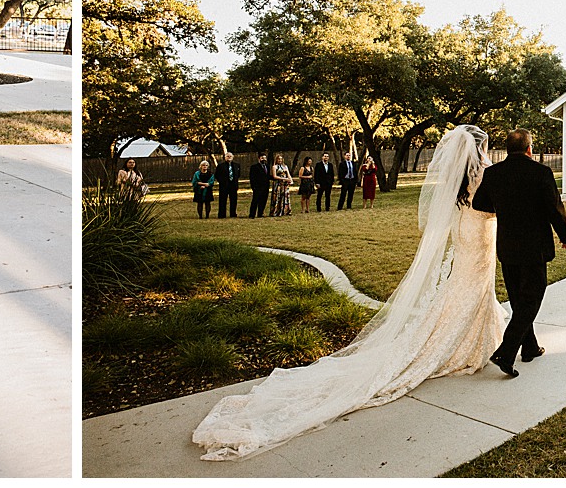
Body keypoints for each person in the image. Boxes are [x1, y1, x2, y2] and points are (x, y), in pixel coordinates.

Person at [194, 126, 505, 460]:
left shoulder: (458, 175)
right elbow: (488, 206)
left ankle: (475, 334)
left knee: (464, 285)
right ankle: (464, 343)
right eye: (484, 145)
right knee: (471, 284)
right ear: (479, 148)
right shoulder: (484, 172)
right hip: (480, 234)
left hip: (465, 232)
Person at [471, 128, 566, 377]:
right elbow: (554, 209)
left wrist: (504, 207)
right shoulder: (541, 172)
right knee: (531, 299)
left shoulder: (493, 173)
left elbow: (479, 203)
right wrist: (565, 235)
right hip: (534, 247)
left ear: (507, 149)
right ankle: (506, 351)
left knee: (518, 299)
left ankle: (530, 347)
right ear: (529, 148)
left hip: (507, 245)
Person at [216, 152, 241, 218]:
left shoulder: (236, 165)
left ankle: (233, 214)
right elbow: (217, 175)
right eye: (227, 156)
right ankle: (222, 214)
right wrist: (222, 182)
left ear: (233, 157)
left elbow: (238, 175)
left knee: (233, 200)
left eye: (230, 156)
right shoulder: (221, 165)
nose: (229, 157)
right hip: (224, 186)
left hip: (233, 185)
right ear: (225, 157)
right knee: (222, 200)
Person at [248, 153, 271, 218]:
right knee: (255, 201)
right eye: (262, 158)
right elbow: (252, 178)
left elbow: (267, 176)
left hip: (266, 186)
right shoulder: (254, 167)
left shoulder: (267, 166)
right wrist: (253, 187)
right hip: (257, 187)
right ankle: (252, 214)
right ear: (259, 159)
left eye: (264, 158)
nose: (263, 159)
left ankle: (260, 213)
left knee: (263, 201)